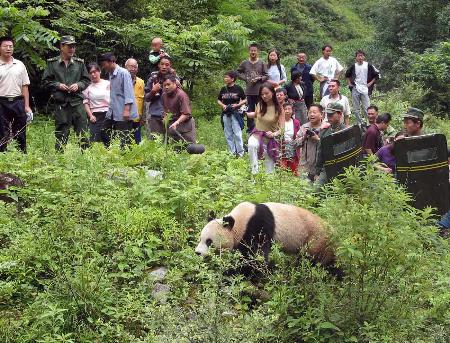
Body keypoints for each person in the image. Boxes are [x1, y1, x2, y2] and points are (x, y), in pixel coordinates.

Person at [42, 35, 90, 151]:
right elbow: (45, 81)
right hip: (61, 103)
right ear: (61, 47)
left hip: (77, 102)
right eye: (69, 46)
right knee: (61, 132)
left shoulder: (80, 63)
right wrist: (58, 85)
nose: (72, 49)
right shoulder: (52, 63)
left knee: (82, 131)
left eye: (73, 46)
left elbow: (86, 80)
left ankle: (86, 157)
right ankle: (60, 159)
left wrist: (78, 85)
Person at [98, 52, 138, 148]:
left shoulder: (123, 73)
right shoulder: (111, 74)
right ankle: (111, 150)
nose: (103, 67)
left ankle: (126, 157)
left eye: (104, 64)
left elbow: (129, 92)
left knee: (124, 137)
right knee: (103, 130)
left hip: (123, 111)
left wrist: (126, 110)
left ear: (111, 62)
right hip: (113, 110)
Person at [0, 36, 32, 153]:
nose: (8, 48)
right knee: (2, 132)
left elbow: (25, 86)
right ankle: (2, 156)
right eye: (5, 46)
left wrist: (27, 106)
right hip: (1, 102)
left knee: (20, 131)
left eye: (11, 46)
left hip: (18, 101)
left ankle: (22, 155)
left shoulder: (20, 65)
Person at [247, 83, 285, 174]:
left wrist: (274, 134)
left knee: (269, 169)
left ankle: (269, 184)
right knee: (252, 145)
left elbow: (282, 129)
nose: (264, 96)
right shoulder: (260, 104)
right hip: (257, 134)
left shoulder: (279, 109)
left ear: (272, 92)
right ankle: (254, 172)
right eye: (262, 94)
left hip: (270, 139)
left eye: (266, 93)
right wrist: (244, 113)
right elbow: (255, 115)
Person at [237, 43, 268, 132]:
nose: (253, 52)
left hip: (260, 92)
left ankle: (262, 127)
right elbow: (238, 72)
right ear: (249, 51)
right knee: (249, 111)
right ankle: (250, 129)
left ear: (257, 52)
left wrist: (259, 79)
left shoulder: (262, 62)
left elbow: (266, 75)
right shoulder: (244, 63)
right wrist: (245, 78)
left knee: (261, 110)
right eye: (251, 51)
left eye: (255, 51)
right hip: (249, 92)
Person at [144, 56, 178, 138]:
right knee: (155, 143)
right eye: (162, 64)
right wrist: (153, 91)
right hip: (156, 115)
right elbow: (146, 98)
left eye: (167, 65)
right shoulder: (153, 78)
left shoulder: (175, 80)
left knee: (170, 144)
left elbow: (179, 96)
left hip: (171, 117)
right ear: (158, 65)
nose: (164, 67)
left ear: (170, 66)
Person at [345, 50, 380, 126]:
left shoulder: (369, 65)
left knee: (367, 107)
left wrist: (370, 83)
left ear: (364, 57)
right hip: (355, 88)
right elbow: (347, 74)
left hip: (365, 89)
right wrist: (349, 83)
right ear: (356, 57)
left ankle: (369, 124)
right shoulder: (353, 66)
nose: (360, 57)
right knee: (356, 108)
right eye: (358, 56)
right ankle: (359, 123)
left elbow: (377, 75)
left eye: (361, 56)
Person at [315, 103, 346, 186]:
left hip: (344, 169)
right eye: (328, 114)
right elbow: (320, 153)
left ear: (340, 114)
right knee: (316, 191)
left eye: (331, 114)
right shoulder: (324, 131)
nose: (329, 116)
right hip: (327, 168)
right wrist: (317, 172)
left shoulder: (347, 131)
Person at [217, 71, 246, 157]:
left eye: (227, 77)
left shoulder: (238, 88)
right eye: (225, 77)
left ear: (232, 79)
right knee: (228, 133)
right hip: (226, 113)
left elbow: (245, 99)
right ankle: (232, 153)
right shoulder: (223, 89)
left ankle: (240, 153)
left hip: (235, 113)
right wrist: (223, 105)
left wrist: (238, 105)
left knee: (237, 133)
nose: (225, 79)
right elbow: (218, 100)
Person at [298, 104, 329, 182]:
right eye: (309, 112)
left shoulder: (326, 128)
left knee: (316, 191)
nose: (311, 114)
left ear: (322, 114)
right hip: (305, 166)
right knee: (304, 191)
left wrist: (317, 139)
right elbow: (295, 144)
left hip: (320, 168)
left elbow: (330, 147)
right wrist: (304, 137)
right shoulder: (304, 127)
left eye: (314, 112)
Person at [162, 74, 196, 143]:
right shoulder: (164, 95)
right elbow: (165, 111)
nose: (166, 87)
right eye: (164, 85)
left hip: (185, 126)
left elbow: (186, 114)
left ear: (174, 83)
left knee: (189, 149)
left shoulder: (181, 95)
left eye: (168, 84)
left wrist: (177, 122)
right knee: (174, 150)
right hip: (172, 126)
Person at [82, 62, 110, 143]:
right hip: (95, 116)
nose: (93, 74)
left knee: (107, 139)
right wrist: (90, 115)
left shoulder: (108, 83)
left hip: (107, 114)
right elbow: (86, 102)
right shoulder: (87, 87)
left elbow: (114, 98)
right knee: (94, 140)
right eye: (91, 73)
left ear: (99, 71)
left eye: (95, 72)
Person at [125, 58, 145, 144]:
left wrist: (143, 117)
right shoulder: (121, 81)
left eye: (135, 67)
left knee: (137, 142)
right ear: (125, 67)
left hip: (137, 118)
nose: (133, 69)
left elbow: (143, 100)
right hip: (124, 118)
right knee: (124, 142)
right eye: (131, 67)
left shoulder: (141, 82)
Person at [279, 101, 301, 175]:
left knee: (293, 163)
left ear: (292, 111)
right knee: (282, 164)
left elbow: (298, 135)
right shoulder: (279, 122)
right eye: (285, 109)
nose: (287, 111)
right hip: (282, 145)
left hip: (292, 145)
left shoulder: (296, 122)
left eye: (289, 109)